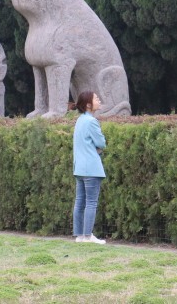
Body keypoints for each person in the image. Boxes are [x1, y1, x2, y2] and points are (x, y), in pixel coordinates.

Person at [71, 90, 107, 244]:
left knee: (80, 201)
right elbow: (101, 143)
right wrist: (97, 148)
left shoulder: (80, 120)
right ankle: (88, 236)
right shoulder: (91, 121)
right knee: (91, 202)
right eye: (96, 99)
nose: (99, 100)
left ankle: (79, 236)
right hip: (91, 167)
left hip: (79, 167)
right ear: (88, 105)